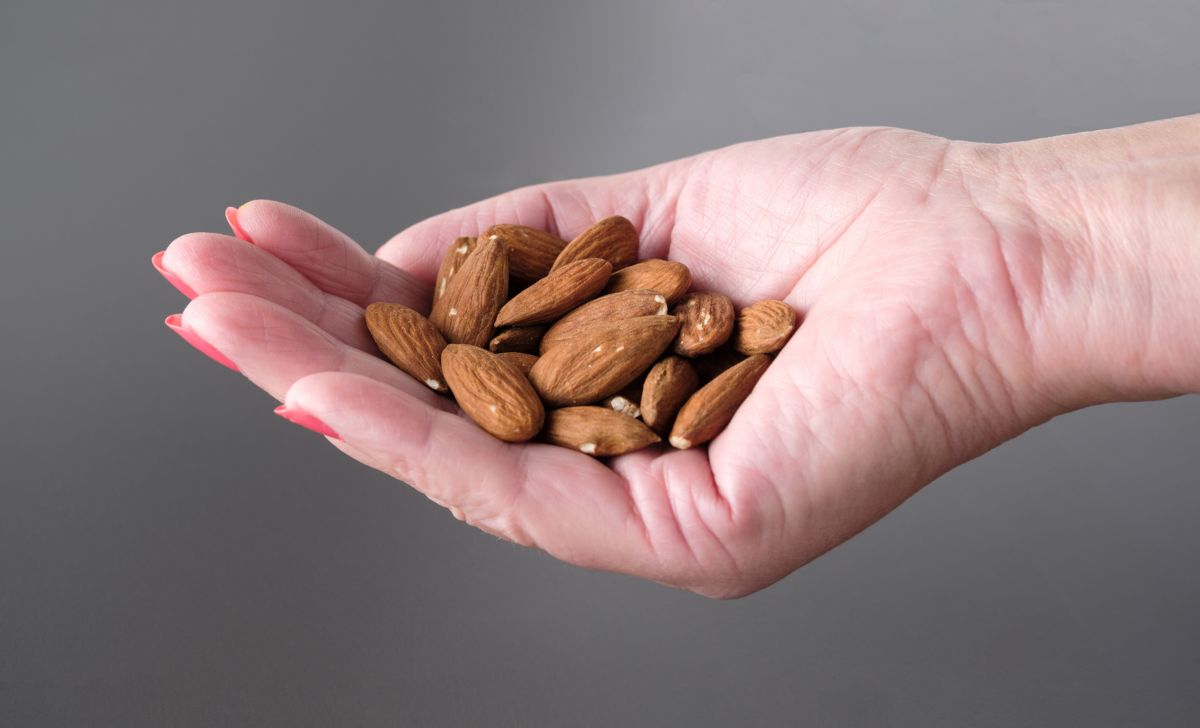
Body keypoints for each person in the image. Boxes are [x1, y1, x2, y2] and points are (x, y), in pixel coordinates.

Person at [153, 115, 1200, 598]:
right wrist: (1013, 239)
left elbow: (583, 352)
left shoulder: (633, 324)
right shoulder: (537, 328)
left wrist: (1010, 246)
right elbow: (533, 379)